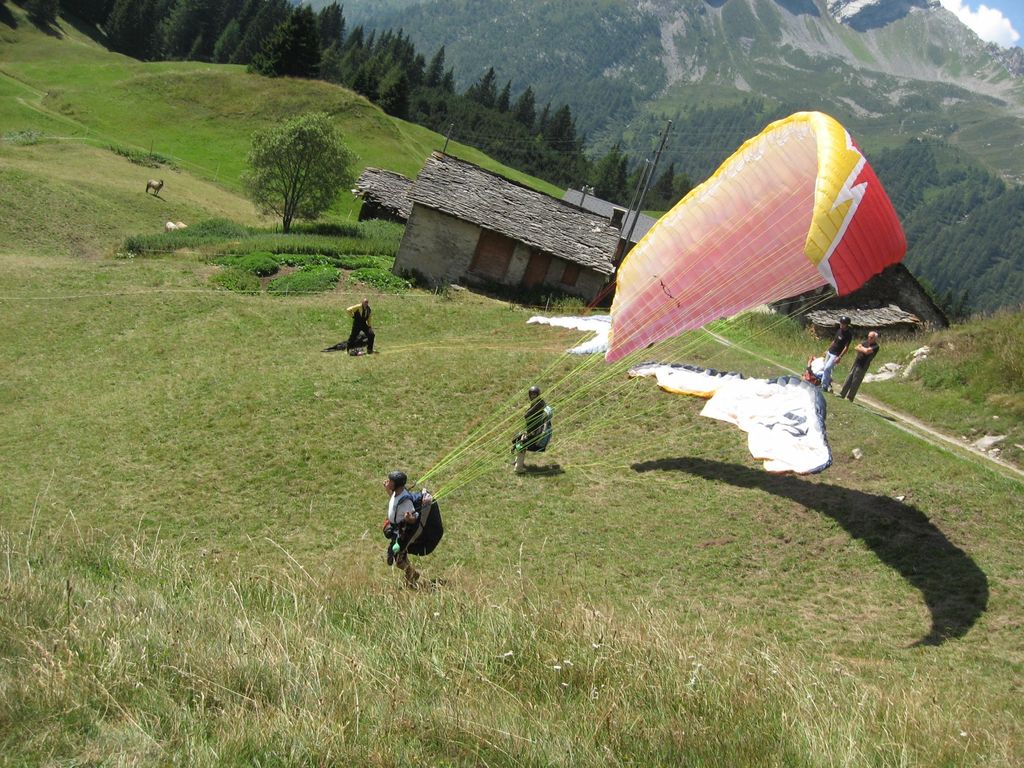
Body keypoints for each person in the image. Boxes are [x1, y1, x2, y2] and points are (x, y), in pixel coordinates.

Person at [381, 470, 431, 586]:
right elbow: (394, 501)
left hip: (403, 532)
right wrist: (387, 489)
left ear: (396, 484)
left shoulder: (406, 501)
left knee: (399, 561)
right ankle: (410, 579)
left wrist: (409, 518)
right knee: (401, 556)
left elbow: (414, 518)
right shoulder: (396, 493)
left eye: (390, 481)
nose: (388, 482)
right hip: (395, 530)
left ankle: (412, 573)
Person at [513, 386, 549, 474]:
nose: (533, 396)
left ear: (538, 395)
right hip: (531, 430)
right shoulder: (537, 402)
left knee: (522, 444)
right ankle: (517, 462)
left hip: (535, 432)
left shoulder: (539, 403)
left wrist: (527, 414)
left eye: (534, 394)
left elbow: (527, 415)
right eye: (531, 394)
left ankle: (518, 468)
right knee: (518, 440)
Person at [839, 331, 880, 402]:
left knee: (856, 381)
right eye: (869, 336)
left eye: (871, 337)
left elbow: (867, 351)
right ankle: (842, 394)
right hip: (856, 363)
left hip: (863, 365)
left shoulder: (875, 346)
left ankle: (850, 397)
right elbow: (856, 347)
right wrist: (863, 349)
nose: (869, 338)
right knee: (849, 378)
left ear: (875, 338)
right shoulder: (865, 342)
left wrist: (862, 349)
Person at [820, 315, 853, 392]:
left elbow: (846, 347)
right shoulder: (839, 330)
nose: (841, 324)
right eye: (841, 323)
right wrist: (827, 350)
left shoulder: (848, 334)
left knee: (827, 368)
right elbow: (834, 341)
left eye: (843, 323)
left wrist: (840, 357)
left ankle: (824, 386)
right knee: (825, 368)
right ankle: (827, 384)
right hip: (830, 351)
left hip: (836, 354)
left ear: (846, 324)